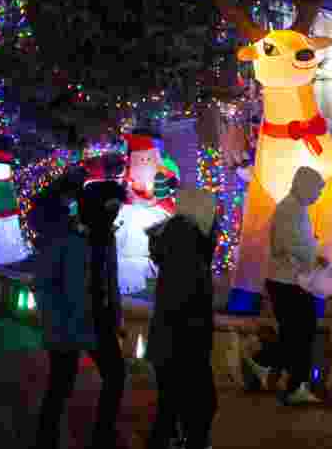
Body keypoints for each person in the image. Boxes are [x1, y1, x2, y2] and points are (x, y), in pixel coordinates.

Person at [34, 180, 127, 449]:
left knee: (115, 375)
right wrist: (56, 323)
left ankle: (103, 434)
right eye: (110, 208)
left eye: (116, 209)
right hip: (68, 323)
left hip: (100, 321)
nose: (114, 214)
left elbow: (111, 279)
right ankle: (46, 438)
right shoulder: (64, 236)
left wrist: (115, 314)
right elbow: (44, 284)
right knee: (61, 384)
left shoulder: (106, 236)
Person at [242, 166, 327, 405]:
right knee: (301, 332)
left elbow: (298, 243)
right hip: (288, 282)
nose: (318, 196)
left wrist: (312, 252)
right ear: (305, 185)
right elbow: (292, 245)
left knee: (296, 333)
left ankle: (271, 367)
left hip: (290, 280)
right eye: (317, 190)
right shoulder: (290, 209)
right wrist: (314, 255)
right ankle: (275, 370)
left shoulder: (296, 208)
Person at [146, 187, 221, 449]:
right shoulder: (186, 246)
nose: (216, 220)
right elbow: (184, 302)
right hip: (182, 347)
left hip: (174, 345)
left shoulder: (184, 241)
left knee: (171, 411)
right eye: (213, 213)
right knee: (196, 407)